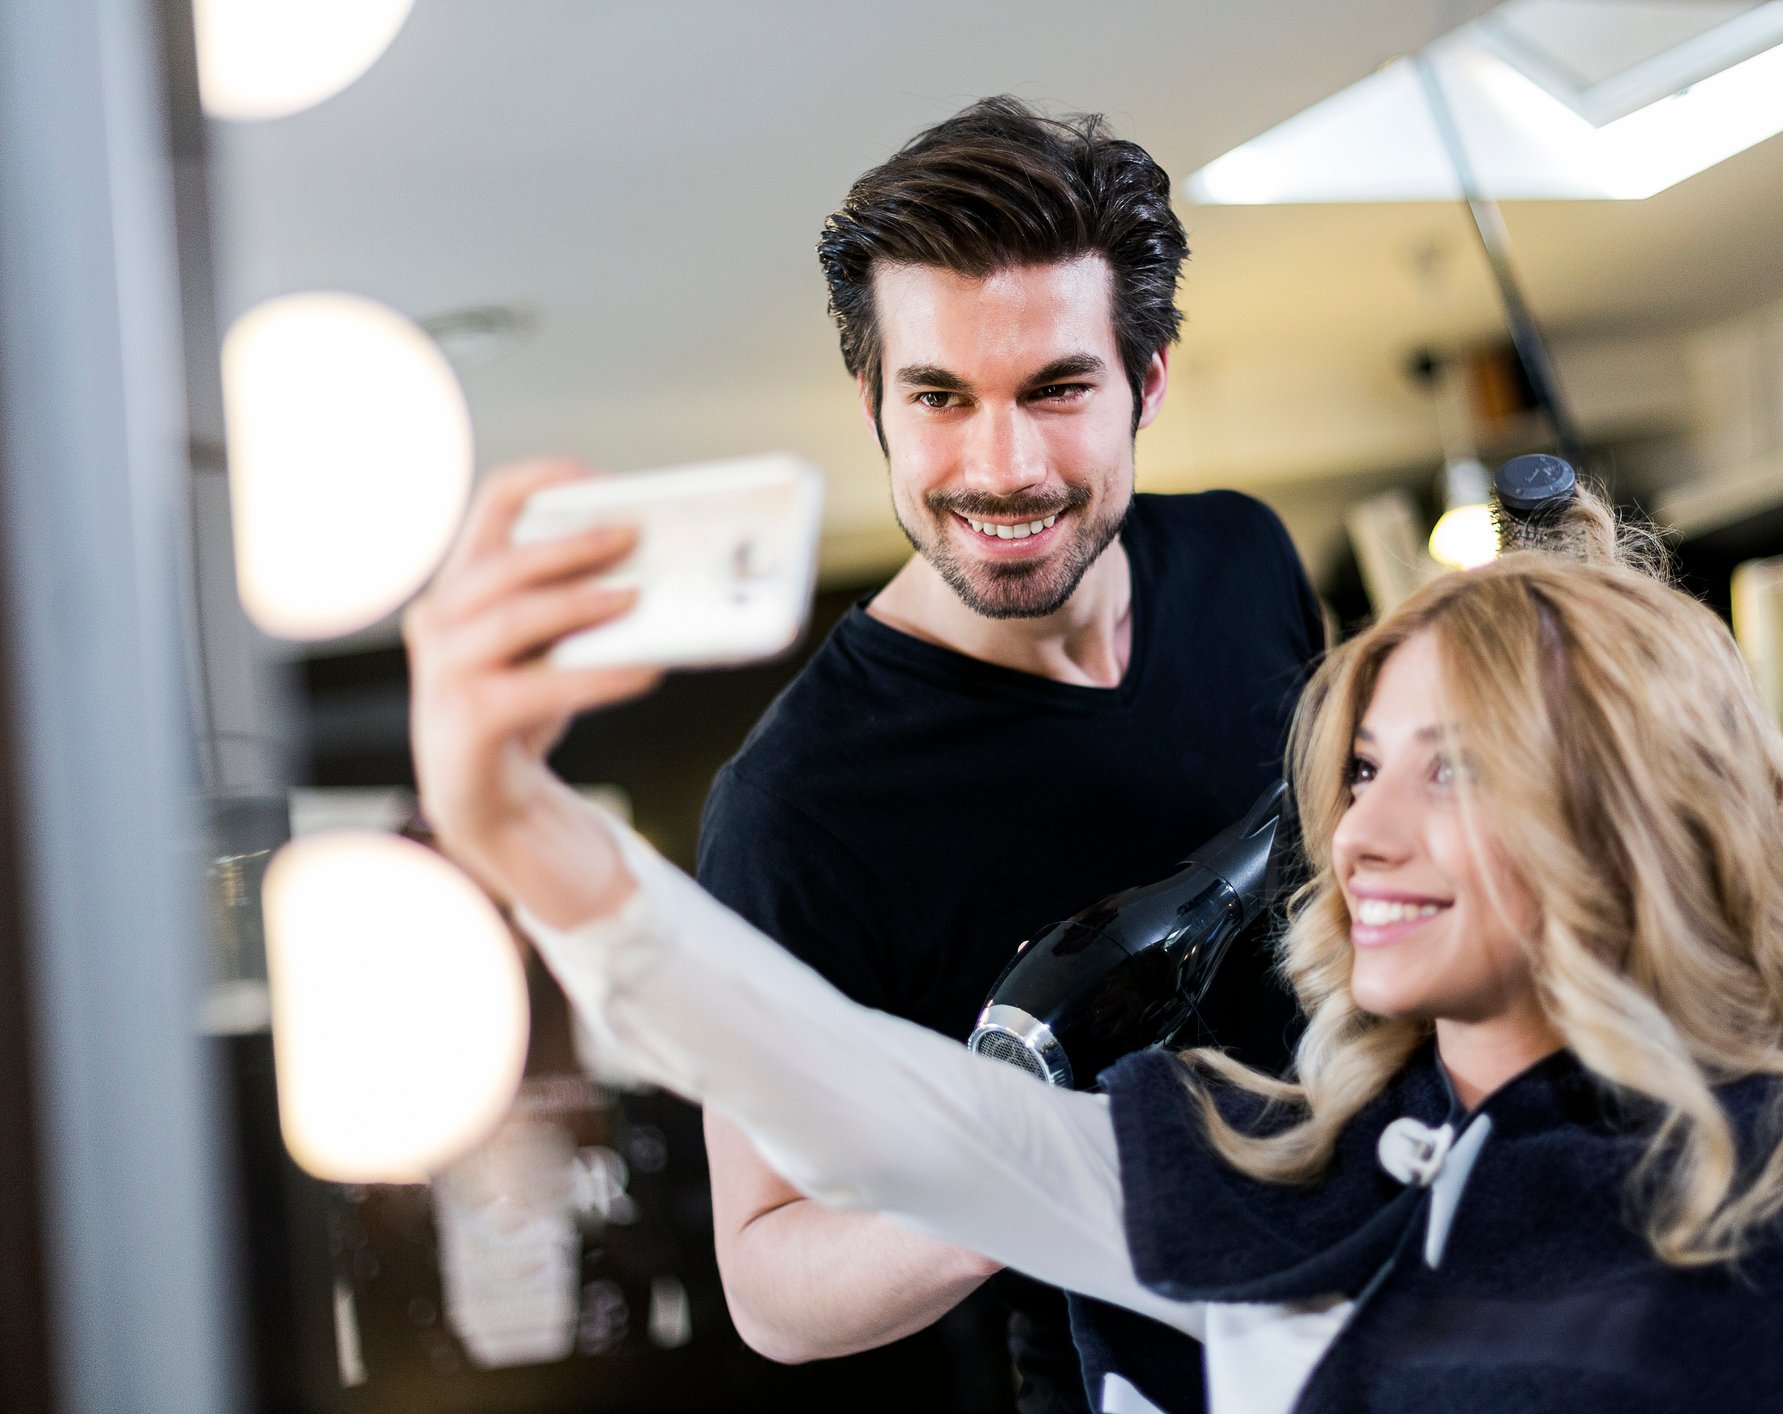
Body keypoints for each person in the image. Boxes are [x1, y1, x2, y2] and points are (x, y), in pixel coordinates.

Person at [408, 488, 1783, 1413]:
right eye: (1356, 769)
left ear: (1625, 816)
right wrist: (524, 837)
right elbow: (892, 1119)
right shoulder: (1280, 1170)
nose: (1364, 835)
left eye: (1454, 769)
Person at [412, 96, 1323, 1413]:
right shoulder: (802, 803)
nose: (999, 466)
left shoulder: (1244, 558)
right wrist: (1050, 1161)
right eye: (939, 397)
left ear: (1149, 380)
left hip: (1402, 1286)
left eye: (1058, 388)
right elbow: (772, 1279)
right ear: (872, 400)